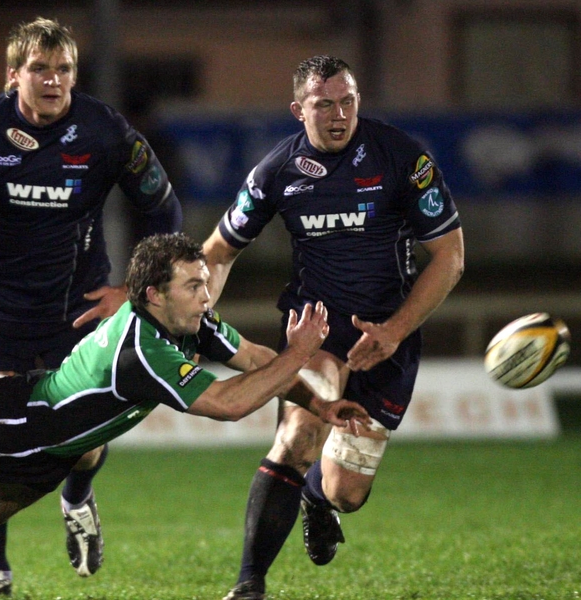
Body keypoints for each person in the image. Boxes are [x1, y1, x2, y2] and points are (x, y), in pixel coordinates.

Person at [0, 232, 370, 594]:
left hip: (53, 446)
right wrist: (298, 356)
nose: (205, 294)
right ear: (153, 296)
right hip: (17, 424)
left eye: (203, 283)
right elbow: (230, 402)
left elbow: (252, 360)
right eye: (193, 286)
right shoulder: (143, 346)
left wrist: (315, 399)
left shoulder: (191, 321)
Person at [0, 17, 182, 597]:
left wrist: (133, 293)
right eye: (40, 68)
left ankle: (79, 498)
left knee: (83, 445)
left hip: (76, 309)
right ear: (15, 76)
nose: (54, 80)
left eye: (64, 69)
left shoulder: (106, 131)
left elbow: (164, 211)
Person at [202, 56, 465, 600]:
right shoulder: (276, 171)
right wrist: (194, 310)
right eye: (325, 104)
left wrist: (393, 329)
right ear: (299, 110)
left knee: (348, 493)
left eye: (348, 101)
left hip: (387, 337)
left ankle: (318, 501)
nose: (339, 114)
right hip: (314, 334)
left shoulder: (400, 157)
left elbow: (449, 257)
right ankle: (249, 584)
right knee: (297, 438)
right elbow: (220, 251)